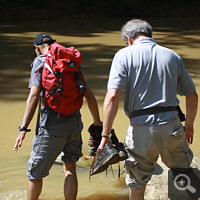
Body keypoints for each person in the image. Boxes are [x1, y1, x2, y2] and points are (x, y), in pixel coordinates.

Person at [98, 19, 198, 200]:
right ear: (149, 35)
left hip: (140, 129)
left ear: (128, 38)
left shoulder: (123, 55)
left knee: (137, 184)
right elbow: (192, 96)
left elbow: (112, 96)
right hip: (172, 126)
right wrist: (189, 126)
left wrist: (105, 136)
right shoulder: (172, 56)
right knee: (183, 173)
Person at [13, 33, 102, 200]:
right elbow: (88, 95)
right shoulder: (70, 62)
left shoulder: (41, 62)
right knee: (70, 169)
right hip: (74, 123)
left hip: (51, 126)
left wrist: (23, 128)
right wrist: (97, 123)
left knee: (35, 173)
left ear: (36, 48)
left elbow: (33, 96)